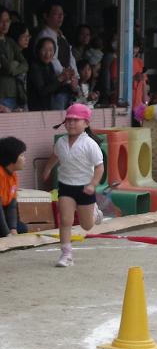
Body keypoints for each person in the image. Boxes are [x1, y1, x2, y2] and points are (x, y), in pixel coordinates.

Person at [42, 104, 104, 267]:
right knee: (65, 220)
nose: (70, 123)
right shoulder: (61, 142)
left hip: (85, 188)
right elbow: (54, 156)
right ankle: (66, 254)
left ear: (86, 123)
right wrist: (47, 169)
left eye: (75, 120)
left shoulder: (90, 144)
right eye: (68, 120)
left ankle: (95, 213)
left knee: (86, 225)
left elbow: (99, 167)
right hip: (65, 186)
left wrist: (93, 184)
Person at [35, 0, 78, 109]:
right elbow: (52, 59)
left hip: (67, 87)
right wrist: (66, 77)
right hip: (56, 88)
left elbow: (70, 57)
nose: (60, 17)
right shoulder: (45, 35)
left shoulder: (60, 35)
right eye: (56, 14)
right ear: (46, 16)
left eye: (62, 14)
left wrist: (74, 77)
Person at [27, 37, 77, 111]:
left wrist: (70, 85)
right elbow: (43, 91)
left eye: (51, 50)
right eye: (44, 50)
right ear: (38, 50)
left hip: (48, 108)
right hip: (36, 109)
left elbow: (53, 87)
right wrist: (60, 78)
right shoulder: (35, 67)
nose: (48, 54)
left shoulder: (50, 65)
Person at [0, 6, 28, 111]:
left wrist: (13, 66)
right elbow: (8, 67)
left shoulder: (10, 41)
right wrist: (15, 64)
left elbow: (25, 64)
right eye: (1, 21)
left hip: (14, 93)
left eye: (7, 21)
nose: (5, 24)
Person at [111, 36, 148, 108]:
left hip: (138, 105)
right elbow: (115, 84)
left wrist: (145, 102)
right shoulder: (117, 62)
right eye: (132, 47)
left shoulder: (139, 62)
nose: (134, 50)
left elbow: (143, 83)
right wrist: (133, 78)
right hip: (122, 105)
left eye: (136, 47)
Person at [0, 137, 26, 237]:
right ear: (11, 158)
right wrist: (7, 233)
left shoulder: (13, 175)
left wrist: (13, 228)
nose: (24, 159)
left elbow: (11, 206)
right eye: (22, 155)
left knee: (21, 228)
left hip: (3, 211)